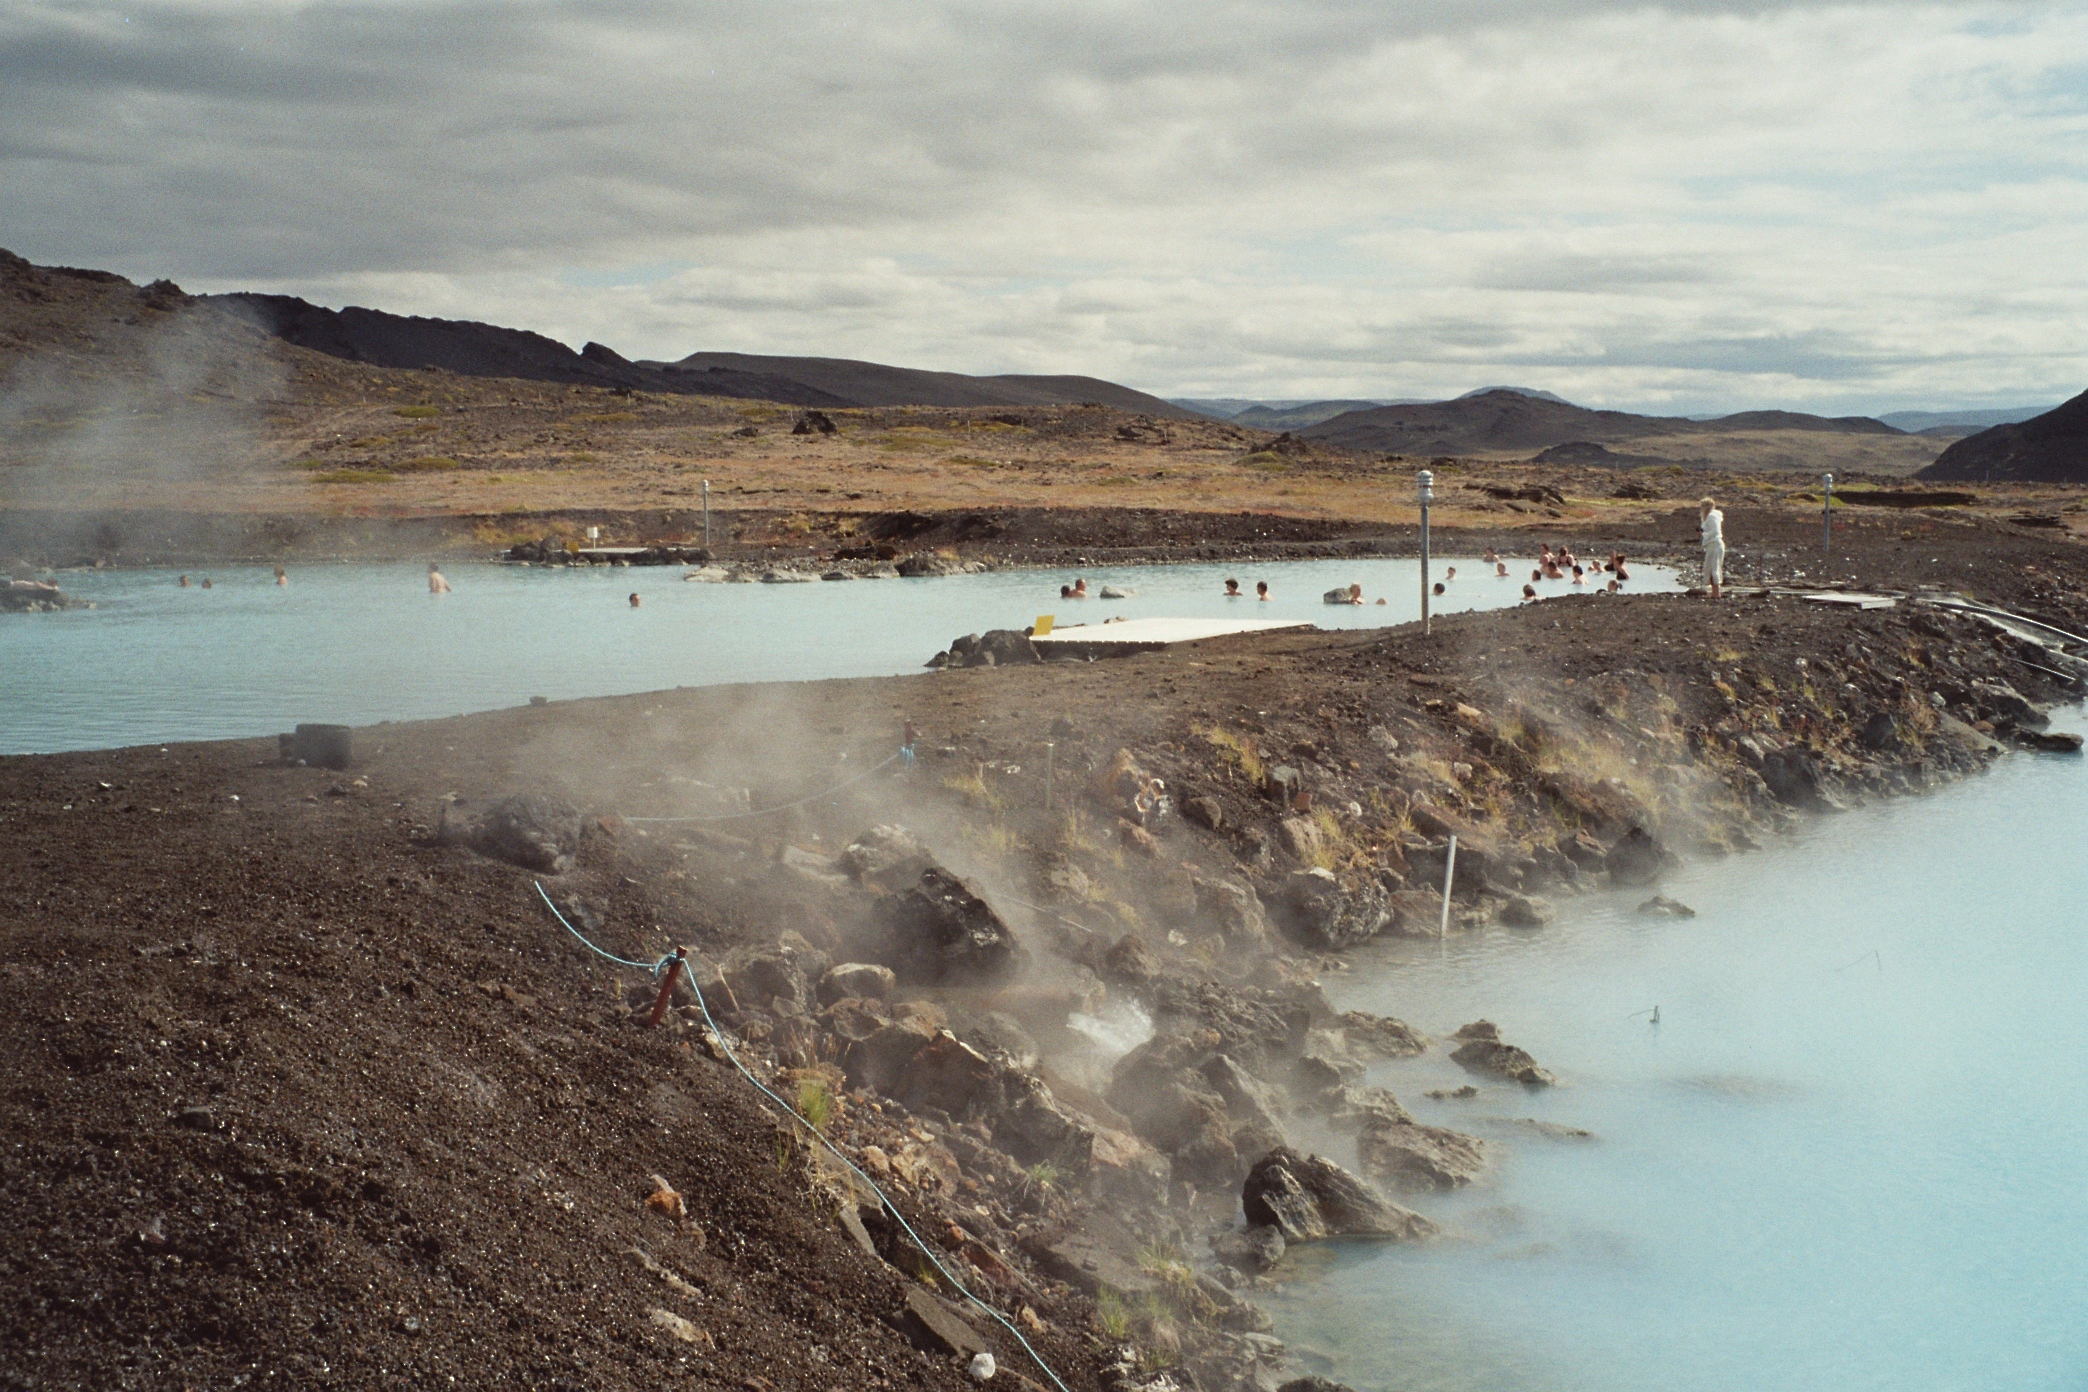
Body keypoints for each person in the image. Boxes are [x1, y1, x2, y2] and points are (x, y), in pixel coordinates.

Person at [1699, 497, 1724, 599]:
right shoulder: (1711, 517)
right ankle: (1714, 592)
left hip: (1715, 544)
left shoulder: (1711, 516)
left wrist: (1704, 534)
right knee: (1710, 567)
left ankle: (1716, 593)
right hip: (1712, 545)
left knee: (1714, 567)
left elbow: (1716, 531)